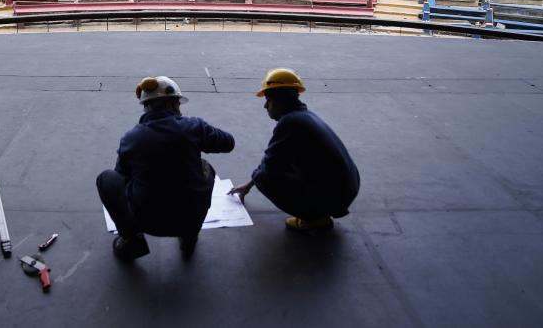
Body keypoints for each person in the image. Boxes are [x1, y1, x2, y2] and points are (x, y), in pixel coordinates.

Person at [97, 76, 235, 261]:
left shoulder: (131, 138)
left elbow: (121, 177)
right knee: (205, 167)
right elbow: (228, 143)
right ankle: (189, 237)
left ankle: (131, 239)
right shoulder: (194, 127)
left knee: (107, 178)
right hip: (190, 220)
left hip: (147, 221)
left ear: (146, 106)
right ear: (173, 104)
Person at [228, 68, 360, 232]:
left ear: (279, 100)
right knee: (272, 171)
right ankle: (321, 209)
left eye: (268, 100)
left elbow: (269, 168)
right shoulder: (304, 116)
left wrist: (255, 180)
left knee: (265, 179)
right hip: (346, 188)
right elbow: (275, 158)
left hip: (336, 196)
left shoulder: (290, 124)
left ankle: (315, 219)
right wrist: (248, 185)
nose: (265, 106)